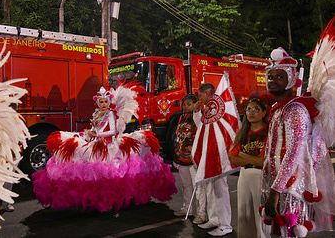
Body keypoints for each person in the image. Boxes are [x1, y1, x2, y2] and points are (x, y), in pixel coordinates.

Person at [32, 84, 177, 213]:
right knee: (90, 169)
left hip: (108, 145)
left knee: (107, 173)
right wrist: (87, 133)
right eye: (101, 101)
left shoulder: (110, 114)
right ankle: (98, 200)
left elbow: (112, 131)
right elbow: (94, 128)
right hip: (96, 143)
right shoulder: (96, 114)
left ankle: (111, 200)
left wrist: (97, 133)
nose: (103, 104)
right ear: (97, 102)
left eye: (106, 101)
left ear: (109, 102)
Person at [261, 47, 335, 237]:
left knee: (289, 232)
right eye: (271, 77)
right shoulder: (279, 109)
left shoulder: (295, 110)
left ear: (291, 80)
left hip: (290, 189)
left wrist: (276, 191)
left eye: (279, 77)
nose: (273, 81)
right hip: (281, 186)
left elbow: (295, 152)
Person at [193, 83, 233, 237]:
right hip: (209, 156)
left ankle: (225, 224)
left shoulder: (219, 108)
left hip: (218, 157)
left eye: (200, 94)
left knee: (220, 190)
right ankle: (214, 219)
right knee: (210, 189)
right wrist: (197, 113)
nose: (199, 98)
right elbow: (201, 128)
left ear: (208, 93)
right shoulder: (209, 110)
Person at [230, 98, 270, 238]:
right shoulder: (243, 132)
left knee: (260, 215)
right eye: (248, 109)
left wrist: (241, 154)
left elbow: (262, 161)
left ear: (264, 112)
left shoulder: (269, 132)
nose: (251, 112)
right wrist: (247, 158)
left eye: (256, 109)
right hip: (244, 175)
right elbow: (233, 158)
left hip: (261, 177)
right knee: (244, 214)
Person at [172, 94, 207, 225]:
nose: (186, 106)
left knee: (198, 187)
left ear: (195, 105)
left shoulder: (198, 119)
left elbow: (201, 136)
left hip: (193, 160)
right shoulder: (182, 117)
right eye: (184, 104)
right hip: (181, 159)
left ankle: (201, 213)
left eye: (189, 104)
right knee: (186, 186)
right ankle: (187, 208)